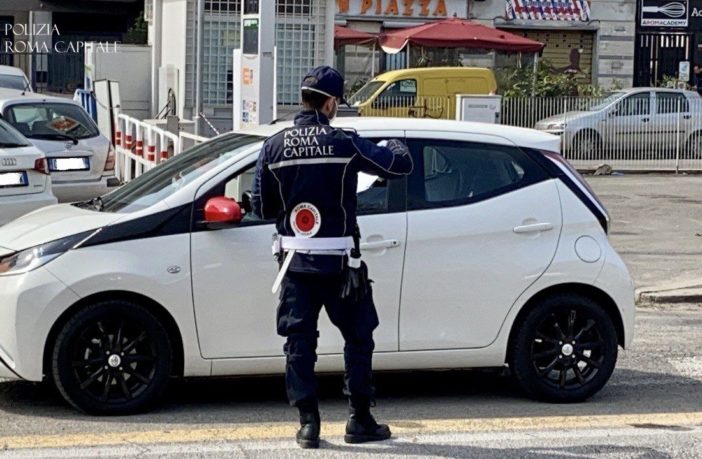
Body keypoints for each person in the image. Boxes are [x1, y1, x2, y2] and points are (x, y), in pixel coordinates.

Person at [251, 66, 413, 449]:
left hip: (294, 264)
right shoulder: (344, 142)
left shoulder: (274, 146)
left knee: (298, 342)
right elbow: (398, 165)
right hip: (342, 266)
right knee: (358, 339)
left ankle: (308, 424)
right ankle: (360, 419)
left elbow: (262, 206)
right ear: (329, 102)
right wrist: (397, 144)